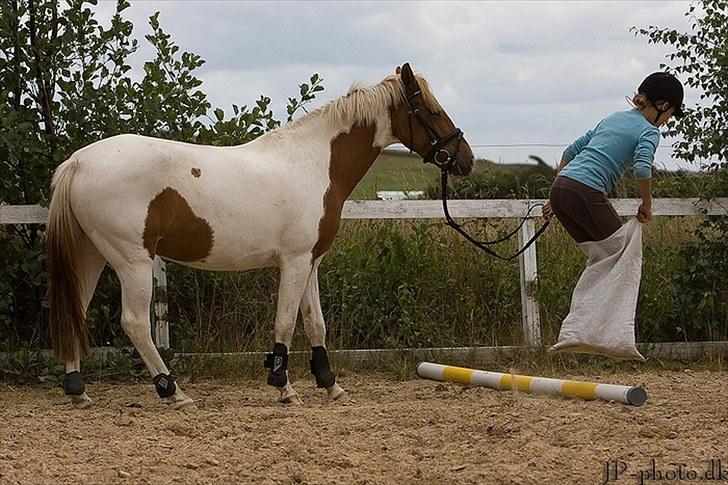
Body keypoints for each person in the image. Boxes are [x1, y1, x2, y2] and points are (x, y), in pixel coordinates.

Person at [542, 72, 685, 242]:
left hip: (559, 188)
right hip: (586, 191)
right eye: (671, 113)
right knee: (623, 251)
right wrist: (647, 205)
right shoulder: (650, 131)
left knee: (599, 256)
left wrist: (555, 198)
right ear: (664, 105)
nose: (667, 120)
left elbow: (570, 152)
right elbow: (642, 168)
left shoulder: (614, 118)